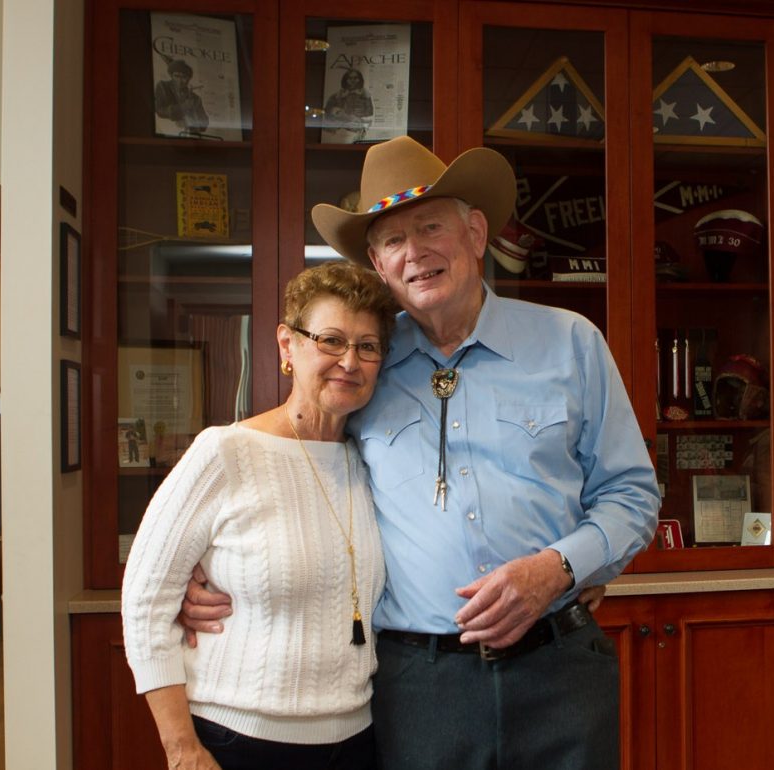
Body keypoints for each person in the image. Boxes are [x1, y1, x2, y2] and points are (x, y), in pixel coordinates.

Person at [184, 136, 661, 770]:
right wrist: (208, 563)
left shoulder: (569, 342)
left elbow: (632, 495)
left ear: (476, 234)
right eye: (391, 240)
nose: (415, 253)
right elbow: (294, 463)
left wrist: (560, 568)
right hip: (417, 685)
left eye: (430, 226)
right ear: (378, 267)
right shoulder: (363, 366)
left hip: (560, 669)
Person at [122, 261, 398, 770]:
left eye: (368, 346)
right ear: (287, 345)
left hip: (357, 740)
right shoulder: (225, 453)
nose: (350, 362)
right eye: (331, 340)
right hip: (236, 741)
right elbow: (145, 601)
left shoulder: (369, 463)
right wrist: (182, 750)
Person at [155, 58, 210, 135]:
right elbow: (159, 110)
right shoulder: (163, 86)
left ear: (189, 79)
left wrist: (192, 121)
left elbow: (204, 122)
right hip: (167, 133)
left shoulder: (196, 98)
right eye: (176, 76)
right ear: (171, 75)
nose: (179, 80)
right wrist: (184, 107)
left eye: (184, 77)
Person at [324, 68, 375, 137]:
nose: (353, 81)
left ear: (360, 79)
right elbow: (327, 113)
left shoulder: (366, 96)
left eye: (355, 78)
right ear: (345, 80)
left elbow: (370, 113)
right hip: (339, 132)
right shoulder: (335, 96)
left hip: (358, 128)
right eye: (350, 78)